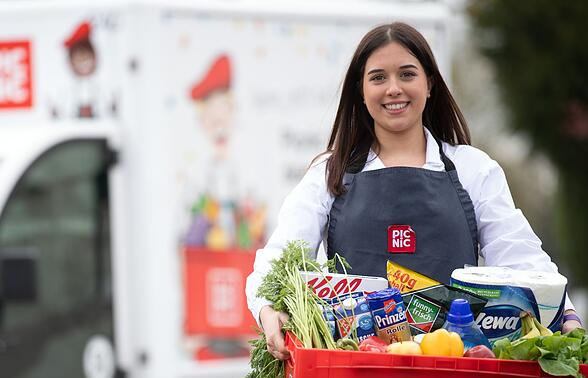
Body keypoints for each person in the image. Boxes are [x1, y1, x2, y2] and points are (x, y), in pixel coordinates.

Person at [245, 22, 584, 360]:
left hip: (455, 369)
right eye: (378, 77)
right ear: (361, 91)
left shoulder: (472, 169)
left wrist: (565, 314)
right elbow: (280, 258)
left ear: (430, 84)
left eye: (407, 74)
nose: (393, 88)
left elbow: (519, 256)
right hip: (357, 370)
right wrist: (267, 309)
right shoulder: (329, 173)